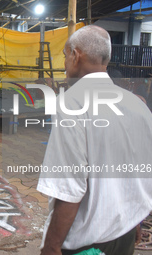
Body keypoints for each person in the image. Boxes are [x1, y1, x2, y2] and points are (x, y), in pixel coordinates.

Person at [37, 25, 152, 255]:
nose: (64, 63)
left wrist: (51, 246)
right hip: (125, 236)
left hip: (88, 246)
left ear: (75, 55)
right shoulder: (137, 105)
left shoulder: (72, 104)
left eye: (65, 56)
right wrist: (134, 220)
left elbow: (69, 187)